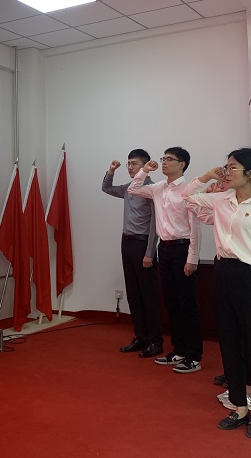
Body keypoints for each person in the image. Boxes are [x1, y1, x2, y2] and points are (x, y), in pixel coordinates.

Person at [183, 148, 251, 439]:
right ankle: (239, 407)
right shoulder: (221, 200)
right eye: (226, 166)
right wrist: (206, 176)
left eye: (233, 167)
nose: (227, 171)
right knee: (229, 342)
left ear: (250, 174)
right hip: (223, 274)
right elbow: (186, 195)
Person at [128, 147, 203, 374]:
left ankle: (194, 356)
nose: (164, 162)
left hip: (183, 249)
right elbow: (133, 189)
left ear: (182, 164)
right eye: (163, 158)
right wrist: (144, 171)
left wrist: (192, 258)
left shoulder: (189, 189)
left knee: (187, 305)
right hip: (165, 249)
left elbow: (195, 227)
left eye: (170, 159)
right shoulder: (158, 187)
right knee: (171, 303)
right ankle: (178, 350)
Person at [102, 149, 162, 358]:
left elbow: (155, 224)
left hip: (142, 244)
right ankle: (141, 337)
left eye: (134, 163)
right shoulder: (128, 188)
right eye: (128, 164)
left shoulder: (152, 189)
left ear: (145, 165)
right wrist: (111, 170)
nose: (129, 167)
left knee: (148, 295)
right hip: (126, 242)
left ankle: (155, 341)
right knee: (133, 293)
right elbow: (106, 188)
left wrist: (150, 253)